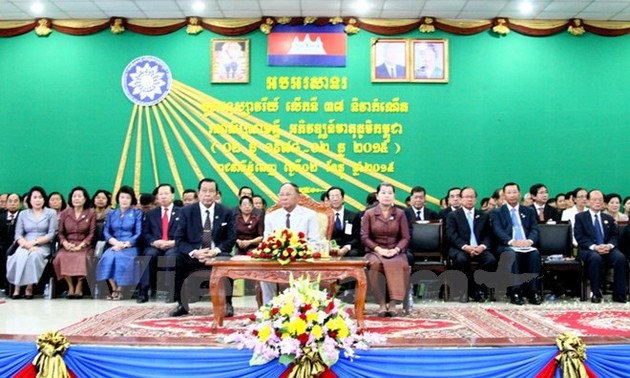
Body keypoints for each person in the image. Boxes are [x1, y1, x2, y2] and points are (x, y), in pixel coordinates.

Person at [170, 178, 236, 317]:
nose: (207, 194)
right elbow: (179, 239)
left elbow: (231, 239)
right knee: (176, 259)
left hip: (216, 254)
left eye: (211, 191)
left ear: (217, 194)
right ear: (198, 193)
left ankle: (228, 304)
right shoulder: (186, 212)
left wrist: (215, 251)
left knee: (228, 260)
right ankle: (182, 304)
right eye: (204, 191)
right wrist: (195, 252)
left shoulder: (226, 212)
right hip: (195, 254)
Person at [261, 182, 320, 303]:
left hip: (302, 260)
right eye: (281, 194)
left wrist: (296, 250)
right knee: (264, 273)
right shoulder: (271, 216)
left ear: (298, 197)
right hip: (277, 261)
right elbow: (266, 240)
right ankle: (268, 308)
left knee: (312, 272)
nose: (284, 197)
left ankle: (306, 307)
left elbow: (315, 242)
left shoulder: (310, 215)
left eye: (288, 194)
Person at [361, 182, 410, 317]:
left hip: (395, 250)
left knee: (401, 263)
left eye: (390, 193)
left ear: (394, 196)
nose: (386, 196)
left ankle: (393, 303)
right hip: (374, 251)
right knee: (376, 264)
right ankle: (382, 303)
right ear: (377, 196)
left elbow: (405, 237)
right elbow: (364, 237)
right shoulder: (369, 213)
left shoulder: (400, 213)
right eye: (383, 193)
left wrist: (396, 250)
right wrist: (378, 250)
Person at [491, 182, 542, 306]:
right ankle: (515, 291)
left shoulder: (528, 211)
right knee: (512, 254)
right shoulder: (498, 212)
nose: (512, 195)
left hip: (526, 245)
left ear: (519, 193)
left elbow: (535, 229)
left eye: (515, 192)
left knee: (535, 254)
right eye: (509, 192)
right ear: (504, 195)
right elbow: (497, 230)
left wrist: (529, 241)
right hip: (507, 245)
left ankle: (533, 291)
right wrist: (512, 241)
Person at [574, 190, 627, 303]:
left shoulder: (608, 218)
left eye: (600, 200)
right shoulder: (580, 217)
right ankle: (596, 293)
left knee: (620, 258)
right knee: (596, 258)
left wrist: (609, 245)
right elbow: (580, 237)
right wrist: (595, 247)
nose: (597, 202)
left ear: (603, 203)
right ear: (588, 201)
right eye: (594, 200)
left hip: (607, 248)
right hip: (588, 249)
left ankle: (619, 294)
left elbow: (614, 235)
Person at [446, 187, 497, 303]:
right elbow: (451, 235)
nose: (469, 199)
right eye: (466, 197)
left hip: (480, 248)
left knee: (491, 260)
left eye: (471, 197)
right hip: (461, 248)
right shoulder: (453, 215)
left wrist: (482, 247)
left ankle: (481, 290)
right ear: (461, 199)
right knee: (461, 260)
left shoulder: (483, 215)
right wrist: (466, 247)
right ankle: (466, 291)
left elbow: (488, 235)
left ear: (475, 199)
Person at [7, 186, 57, 299]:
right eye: (35, 197)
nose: (37, 200)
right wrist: (26, 244)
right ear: (30, 200)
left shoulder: (51, 213)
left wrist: (34, 243)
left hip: (43, 244)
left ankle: (29, 288)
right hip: (25, 243)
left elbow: (51, 234)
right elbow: (18, 234)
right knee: (20, 255)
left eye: (40, 197)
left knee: (34, 256)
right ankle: (17, 287)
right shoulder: (23, 214)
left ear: (44, 199)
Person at [96, 185, 142, 301]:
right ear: (118, 199)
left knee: (121, 257)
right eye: (122, 197)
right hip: (114, 244)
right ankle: (114, 288)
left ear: (132, 200)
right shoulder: (111, 214)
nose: (124, 200)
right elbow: (106, 231)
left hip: (130, 246)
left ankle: (121, 290)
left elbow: (138, 232)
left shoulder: (137, 213)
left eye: (127, 197)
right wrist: (115, 243)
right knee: (107, 256)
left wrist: (125, 244)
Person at [138, 183, 181, 303]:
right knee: (149, 255)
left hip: (174, 245)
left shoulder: (182, 212)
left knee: (171, 256)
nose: (163, 196)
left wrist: (174, 242)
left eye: (166, 194)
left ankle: (170, 291)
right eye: (160, 194)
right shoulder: (151, 213)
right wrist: (154, 242)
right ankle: (144, 291)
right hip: (156, 245)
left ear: (172, 195)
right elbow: (145, 233)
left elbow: (185, 233)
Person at [52, 186, 96, 299]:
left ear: (85, 199)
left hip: (84, 244)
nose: (76, 199)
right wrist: (65, 243)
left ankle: (80, 285)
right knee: (60, 257)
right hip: (69, 243)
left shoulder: (91, 213)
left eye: (79, 196)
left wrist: (82, 245)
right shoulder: (65, 213)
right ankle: (70, 286)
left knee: (83, 258)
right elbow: (60, 233)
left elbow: (92, 233)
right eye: (74, 196)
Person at [326, 186, 361, 257]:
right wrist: (330, 247)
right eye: (332, 197)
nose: (335, 199)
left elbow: (357, 237)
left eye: (337, 196)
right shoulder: (324, 217)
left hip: (349, 248)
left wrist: (346, 248)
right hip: (329, 248)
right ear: (328, 200)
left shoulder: (354, 215)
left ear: (343, 198)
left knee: (354, 254)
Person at [0, 193, 22, 291]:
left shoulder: (23, 215)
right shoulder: (1, 216)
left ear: (20, 203)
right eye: (10, 201)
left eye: (16, 201)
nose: (13, 204)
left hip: (17, 245)